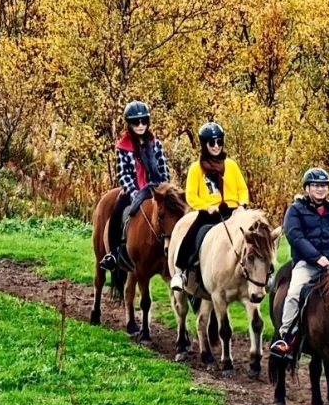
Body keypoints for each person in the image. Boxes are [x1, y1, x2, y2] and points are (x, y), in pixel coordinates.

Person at [269, 168, 329, 357]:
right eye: (316, 185)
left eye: (324, 185)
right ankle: (287, 338)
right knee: (293, 292)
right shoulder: (295, 210)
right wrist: (317, 257)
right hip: (307, 263)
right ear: (307, 188)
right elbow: (295, 236)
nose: (320, 189)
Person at [171, 122, 250, 292]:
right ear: (204, 144)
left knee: (255, 236)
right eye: (212, 143)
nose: (216, 146)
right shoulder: (196, 169)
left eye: (219, 142)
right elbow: (191, 195)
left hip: (233, 212)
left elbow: (242, 188)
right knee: (191, 236)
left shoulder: (232, 165)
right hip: (209, 213)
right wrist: (206, 207)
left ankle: (264, 273)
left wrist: (242, 205)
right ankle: (180, 272)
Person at [99, 101, 171, 272]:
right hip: (134, 190)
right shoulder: (123, 147)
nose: (140, 126)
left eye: (143, 121)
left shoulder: (156, 144)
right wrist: (134, 193)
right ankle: (114, 253)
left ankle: (177, 250)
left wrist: (163, 189)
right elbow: (123, 174)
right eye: (135, 122)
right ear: (129, 124)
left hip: (156, 189)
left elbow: (163, 169)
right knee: (117, 212)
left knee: (175, 211)